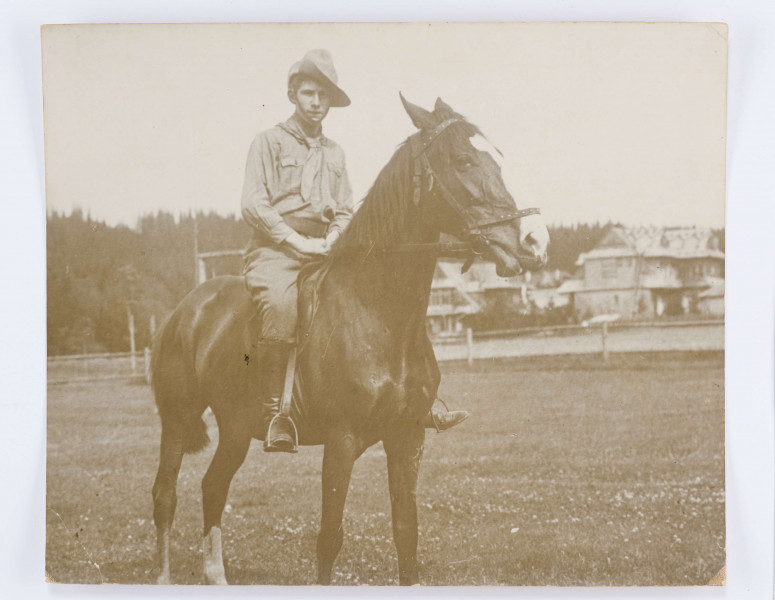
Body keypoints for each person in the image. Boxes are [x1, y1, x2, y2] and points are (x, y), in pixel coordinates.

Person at [241, 49, 468, 453]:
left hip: (327, 247)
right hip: (277, 250)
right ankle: (277, 412)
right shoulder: (268, 142)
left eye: (323, 95)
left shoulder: (335, 153)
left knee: (385, 296)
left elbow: (345, 208)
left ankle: (417, 399)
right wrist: (296, 241)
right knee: (280, 305)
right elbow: (254, 204)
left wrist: (334, 236)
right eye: (308, 93)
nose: (316, 102)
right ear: (293, 94)